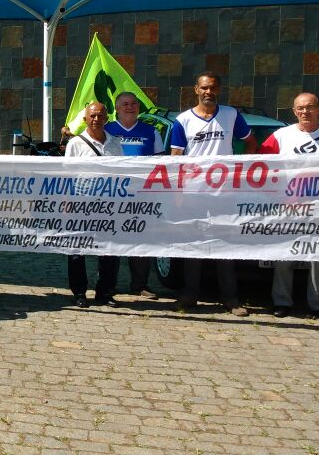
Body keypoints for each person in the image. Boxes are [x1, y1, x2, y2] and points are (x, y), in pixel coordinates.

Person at [170, 72, 256, 316]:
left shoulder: (231, 115)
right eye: (204, 88)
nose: (209, 92)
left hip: (224, 193)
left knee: (224, 245)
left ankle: (230, 298)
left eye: (213, 88)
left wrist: (238, 170)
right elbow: (176, 159)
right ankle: (189, 295)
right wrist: (178, 192)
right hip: (193, 193)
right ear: (196, 89)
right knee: (192, 245)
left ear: (219, 89)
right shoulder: (183, 120)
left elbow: (250, 143)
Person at [259, 92, 319, 318]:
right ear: (294, 111)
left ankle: (316, 305)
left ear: (318, 109)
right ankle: (282, 302)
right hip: (289, 207)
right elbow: (261, 165)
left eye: (310, 107)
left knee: (317, 258)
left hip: (318, 209)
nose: (306, 112)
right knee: (285, 255)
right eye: (301, 108)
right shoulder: (281, 136)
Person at [103, 91, 163, 300]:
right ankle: (108, 285)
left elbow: (160, 164)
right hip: (113, 195)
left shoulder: (151, 131)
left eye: (134, 104)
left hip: (142, 195)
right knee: (111, 241)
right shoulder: (106, 129)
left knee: (140, 240)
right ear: (117, 108)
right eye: (125, 104)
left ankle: (139, 285)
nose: (130, 107)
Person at [64, 102, 123, 308]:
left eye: (100, 116)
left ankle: (105, 292)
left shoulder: (115, 143)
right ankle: (79, 293)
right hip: (81, 204)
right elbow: (67, 175)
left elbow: (121, 173)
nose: (96, 119)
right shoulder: (75, 144)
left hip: (108, 205)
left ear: (107, 118)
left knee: (110, 250)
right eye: (92, 116)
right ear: (85, 119)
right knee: (77, 251)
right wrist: (68, 201)